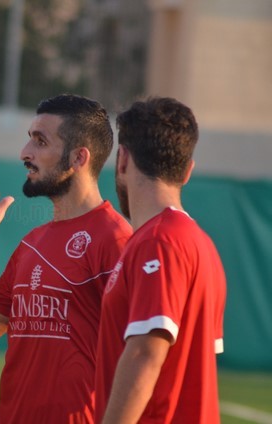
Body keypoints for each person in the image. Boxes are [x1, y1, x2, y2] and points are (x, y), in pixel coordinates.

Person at [0, 94, 133, 423]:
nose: (26, 153)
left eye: (40, 142)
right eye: (29, 140)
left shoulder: (116, 241)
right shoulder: (32, 244)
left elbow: (140, 354)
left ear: (79, 158)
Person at [95, 97, 227, 423]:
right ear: (187, 171)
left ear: (122, 160)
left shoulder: (158, 241)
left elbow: (145, 353)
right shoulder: (202, 245)